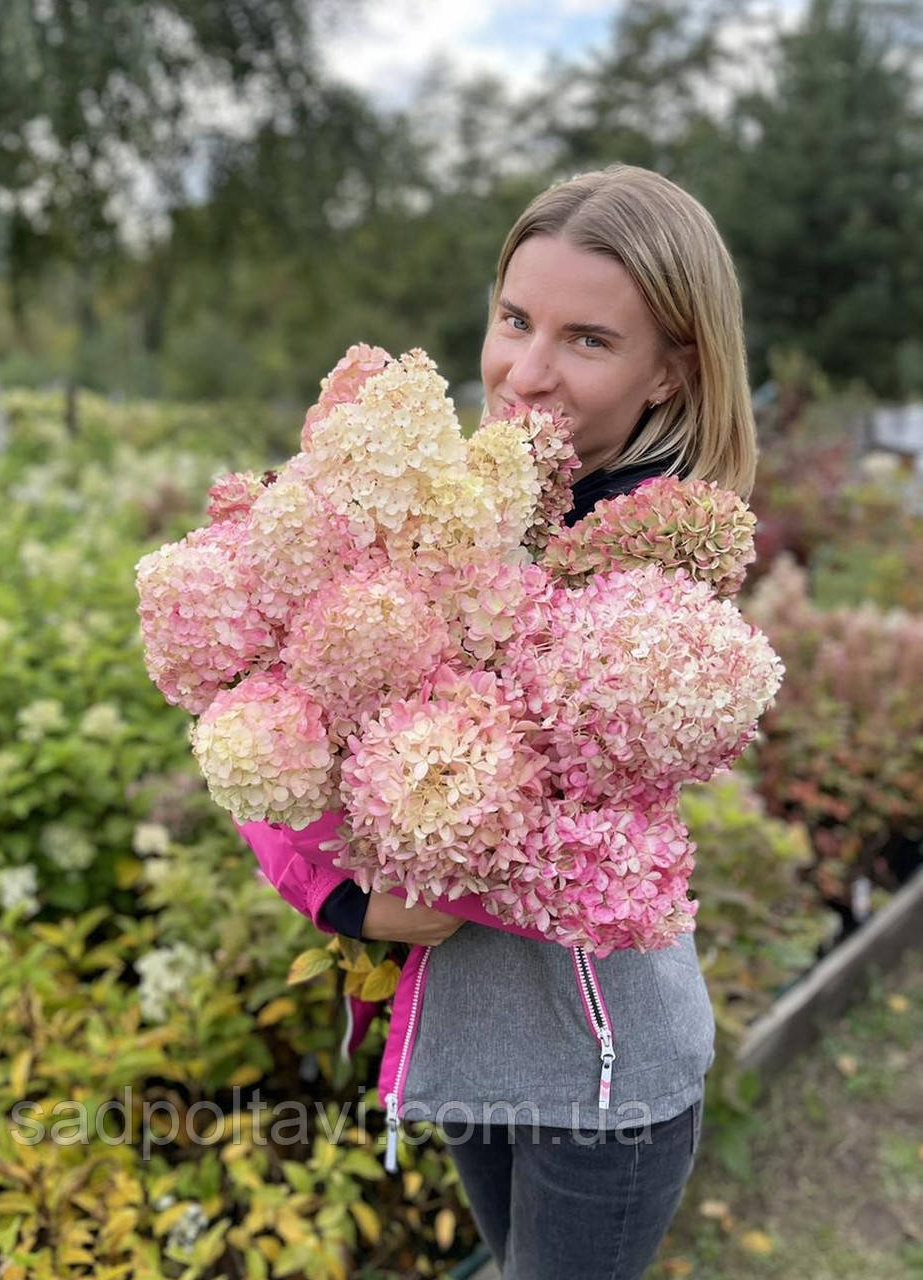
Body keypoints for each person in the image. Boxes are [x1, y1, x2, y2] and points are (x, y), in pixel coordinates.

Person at [235, 163, 757, 1279]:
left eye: (586, 339)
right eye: (513, 318)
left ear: (672, 369)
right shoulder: (434, 506)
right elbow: (258, 716)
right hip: (464, 1034)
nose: (522, 371)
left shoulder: (652, 576)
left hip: (601, 1072)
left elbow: (521, 827)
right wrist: (333, 891)